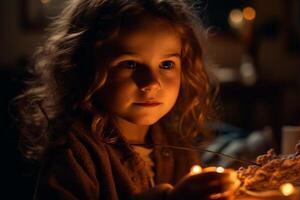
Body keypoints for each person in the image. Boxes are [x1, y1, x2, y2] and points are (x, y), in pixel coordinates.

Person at [15, 0, 238, 199]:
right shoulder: (74, 154)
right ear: (86, 67)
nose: (151, 83)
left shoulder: (177, 144)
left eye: (166, 64)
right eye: (130, 64)